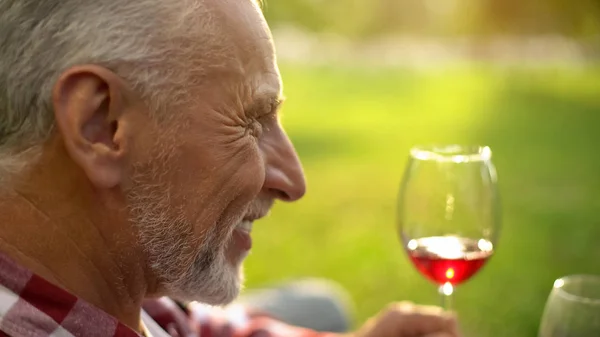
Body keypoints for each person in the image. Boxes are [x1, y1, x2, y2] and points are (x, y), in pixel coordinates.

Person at [0, 0, 460, 336]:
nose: (294, 182)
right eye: (251, 121)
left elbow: (186, 322)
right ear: (101, 124)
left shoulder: (111, 283)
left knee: (318, 306)